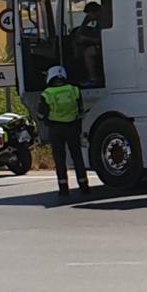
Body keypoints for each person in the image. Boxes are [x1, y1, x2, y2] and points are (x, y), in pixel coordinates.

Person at [38, 65, 90, 199]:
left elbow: (41, 114)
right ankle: (84, 186)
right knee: (77, 157)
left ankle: (63, 188)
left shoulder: (47, 94)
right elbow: (80, 110)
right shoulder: (74, 90)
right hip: (72, 127)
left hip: (55, 130)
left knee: (60, 159)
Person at [72, 1, 104, 86]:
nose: (88, 16)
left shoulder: (104, 22)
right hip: (100, 45)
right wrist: (85, 22)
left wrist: (85, 39)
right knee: (81, 49)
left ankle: (93, 79)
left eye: (89, 14)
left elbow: (101, 40)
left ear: (96, 12)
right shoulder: (98, 22)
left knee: (88, 53)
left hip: (104, 46)